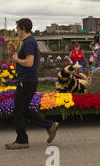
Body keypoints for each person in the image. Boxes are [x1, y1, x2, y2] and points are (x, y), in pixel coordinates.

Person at [5, 18, 59, 150]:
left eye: (17, 28)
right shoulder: (28, 42)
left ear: (23, 28)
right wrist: (14, 51)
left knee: (19, 110)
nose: (16, 31)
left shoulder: (29, 42)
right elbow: (24, 60)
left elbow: (29, 63)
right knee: (22, 109)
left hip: (26, 80)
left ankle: (23, 140)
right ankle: (48, 125)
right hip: (26, 80)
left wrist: (16, 59)